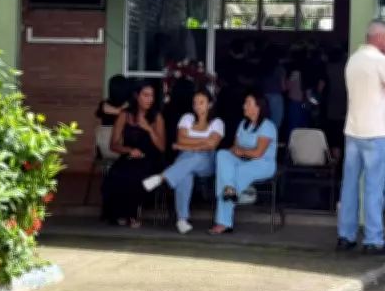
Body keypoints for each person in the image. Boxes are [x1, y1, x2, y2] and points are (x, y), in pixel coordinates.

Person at [337, 20, 385, 255]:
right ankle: (373, 239)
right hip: (375, 132)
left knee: (349, 186)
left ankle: (346, 236)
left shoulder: (353, 59)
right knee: (374, 188)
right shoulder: (381, 61)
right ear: (379, 37)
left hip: (353, 131)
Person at [142, 89, 224, 234]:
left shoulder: (217, 123)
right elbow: (181, 139)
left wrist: (185, 145)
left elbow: (212, 145)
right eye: (195, 103)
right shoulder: (187, 118)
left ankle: (162, 177)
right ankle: (182, 220)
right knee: (185, 173)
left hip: (207, 160)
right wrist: (200, 142)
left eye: (201, 102)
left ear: (210, 104)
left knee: (195, 158)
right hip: (185, 157)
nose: (197, 106)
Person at [209, 92, 278, 235]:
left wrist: (241, 152)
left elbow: (258, 153)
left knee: (234, 174)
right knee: (222, 155)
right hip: (243, 160)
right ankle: (229, 189)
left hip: (261, 164)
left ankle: (223, 222)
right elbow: (235, 148)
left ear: (258, 107)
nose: (244, 106)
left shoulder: (267, 126)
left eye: (248, 103)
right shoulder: (243, 124)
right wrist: (234, 152)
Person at [102, 81, 166, 227]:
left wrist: (149, 129)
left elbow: (162, 147)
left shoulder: (157, 117)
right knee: (116, 173)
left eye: (152, 96)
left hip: (150, 159)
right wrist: (129, 150)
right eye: (146, 95)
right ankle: (117, 214)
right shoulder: (125, 115)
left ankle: (131, 215)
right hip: (129, 157)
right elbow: (113, 144)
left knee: (136, 175)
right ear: (137, 96)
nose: (150, 99)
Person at [261, 44, 287, 133]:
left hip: (264, 95)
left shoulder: (263, 66)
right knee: (276, 122)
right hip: (276, 96)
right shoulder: (279, 68)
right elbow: (283, 87)